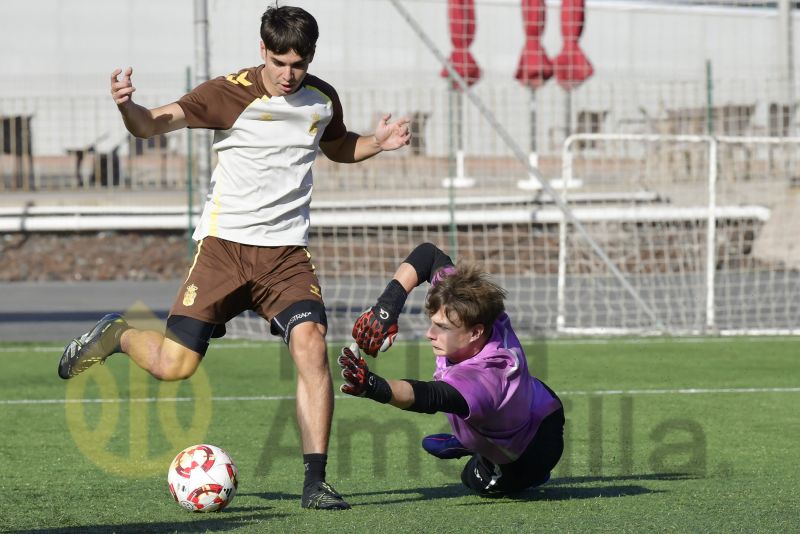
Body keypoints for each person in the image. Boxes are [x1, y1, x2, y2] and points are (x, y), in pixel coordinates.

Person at [57, 4, 411, 511]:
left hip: (286, 256)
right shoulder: (226, 92)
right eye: (280, 61)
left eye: (300, 63)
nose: (289, 74)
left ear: (310, 57)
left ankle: (315, 483)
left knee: (311, 348)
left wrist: (378, 142)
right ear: (262, 49)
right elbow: (151, 125)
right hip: (224, 249)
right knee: (174, 366)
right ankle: (120, 333)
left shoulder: (321, 97)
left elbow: (336, 147)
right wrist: (126, 108)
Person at [340, 243, 564, 495]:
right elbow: (429, 254)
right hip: (538, 400)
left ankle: (480, 449)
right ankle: (473, 437)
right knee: (469, 413)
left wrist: (371, 386)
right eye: (433, 323)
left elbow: (428, 396)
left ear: (475, 332)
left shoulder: (484, 378)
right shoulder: (482, 312)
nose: (429, 334)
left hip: (529, 452)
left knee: (472, 481)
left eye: (443, 328)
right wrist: (386, 309)